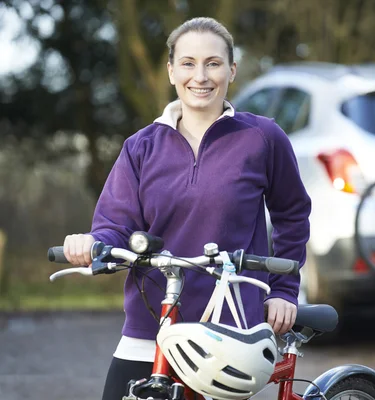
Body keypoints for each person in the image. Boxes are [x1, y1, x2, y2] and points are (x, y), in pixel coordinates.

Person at [61, 17, 311, 398]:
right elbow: (115, 223)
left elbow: (292, 214)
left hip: (230, 325)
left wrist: (284, 290)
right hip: (152, 320)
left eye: (213, 63)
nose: (201, 76)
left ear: (231, 70)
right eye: (189, 63)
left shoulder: (262, 137)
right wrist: (90, 244)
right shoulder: (141, 147)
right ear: (171, 70)